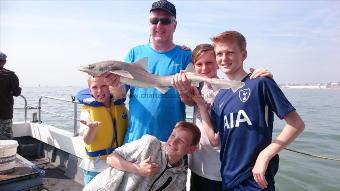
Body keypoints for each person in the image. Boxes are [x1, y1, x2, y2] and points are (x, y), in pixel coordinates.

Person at [192, 31, 305, 191]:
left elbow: (296, 124)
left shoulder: (260, 82)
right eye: (220, 54)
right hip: (228, 179)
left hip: (256, 179)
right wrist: (202, 106)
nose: (224, 58)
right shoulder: (221, 95)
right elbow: (215, 140)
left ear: (243, 54)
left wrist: (265, 156)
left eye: (230, 52)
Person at [78, 0, 191, 143]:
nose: (159, 25)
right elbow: (120, 94)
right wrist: (113, 84)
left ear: (174, 25)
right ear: (149, 24)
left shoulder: (185, 55)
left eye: (165, 21)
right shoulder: (134, 53)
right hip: (136, 139)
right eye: (154, 20)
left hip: (172, 143)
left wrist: (185, 90)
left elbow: (192, 102)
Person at [172, 44, 273, 191]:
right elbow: (188, 101)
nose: (204, 68)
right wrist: (182, 89)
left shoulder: (227, 89)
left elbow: (249, 90)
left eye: (209, 63)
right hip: (197, 162)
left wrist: (262, 75)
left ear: (218, 64)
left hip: (219, 166)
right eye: (199, 64)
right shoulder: (198, 87)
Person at [82, 121, 201, 191]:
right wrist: (138, 169)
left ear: (191, 149)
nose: (173, 142)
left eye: (181, 141)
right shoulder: (150, 143)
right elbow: (110, 158)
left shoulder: (180, 178)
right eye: (173, 136)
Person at [79, 76, 128, 184]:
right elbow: (87, 141)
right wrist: (91, 128)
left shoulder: (119, 106)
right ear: (90, 91)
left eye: (104, 86)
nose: (99, 91)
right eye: (95, 87)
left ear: (110, 87)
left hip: (117, 165)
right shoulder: (87, 112)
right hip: (95, 169)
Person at [0, 51, 21, 140]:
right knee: (6, 139)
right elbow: (16, 93)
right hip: (5, 112)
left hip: (5, 112)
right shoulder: (10, 75)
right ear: (4, 62)